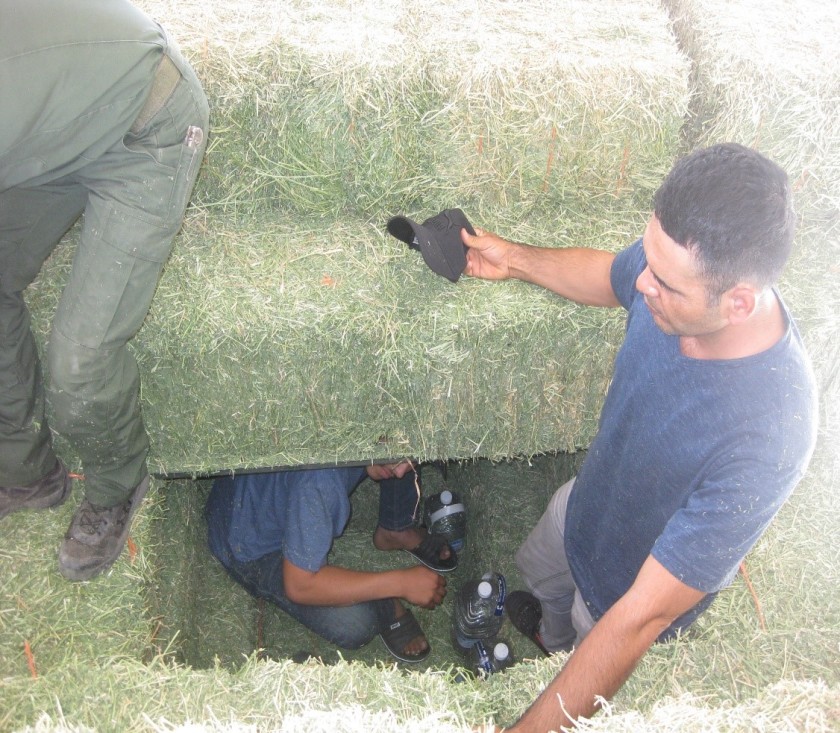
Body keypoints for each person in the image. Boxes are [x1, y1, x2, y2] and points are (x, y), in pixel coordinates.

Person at [461, 143, 818, 731]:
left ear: (738, 302)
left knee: (578, 636)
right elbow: (612, 274)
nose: (644, 283)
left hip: (618, 595)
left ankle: (558, 649)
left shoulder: (772, 433)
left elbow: (640, 618)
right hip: (581, 507)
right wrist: (516, 259)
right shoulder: (670, 279)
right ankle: (546, 632)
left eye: (666, 284)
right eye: (649, 257)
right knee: (540, 578)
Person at [0, 0, 209, 581]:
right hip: (52, 129)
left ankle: (118, 485)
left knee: (80, 363)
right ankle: (25, 472)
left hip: (147, 125)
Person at [204, 461, 456, 662]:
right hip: (246, 539)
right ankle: (384, 604)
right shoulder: (319, 484)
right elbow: (300, 585)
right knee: (356, 625)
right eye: (399, 461)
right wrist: (400, 583)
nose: (403, 470)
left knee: (403, 451)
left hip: (258, 482)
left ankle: (396, 529)